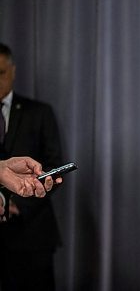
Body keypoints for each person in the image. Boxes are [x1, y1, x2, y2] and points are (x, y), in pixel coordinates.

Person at [0, 42, 63, 291]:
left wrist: (15, 204)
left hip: (31, 233)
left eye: (1, 73)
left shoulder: (39, 113)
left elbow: (54, 168)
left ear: (13, 71)